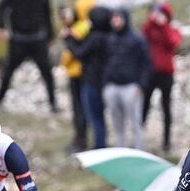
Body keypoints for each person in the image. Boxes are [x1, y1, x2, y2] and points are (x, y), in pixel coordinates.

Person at [102, 7, 152, 150]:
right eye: (114, 18)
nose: (116, 21)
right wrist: (106, 84)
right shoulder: (109, 39)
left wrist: (141, 86)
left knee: (135, 123)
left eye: (118, 18)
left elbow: (147, 63)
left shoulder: (137, 39)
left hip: (131, 87)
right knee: (117, 124)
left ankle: (139, 152)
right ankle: (120, 151)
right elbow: (105, 61)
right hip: (112, 86)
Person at [63, 5, 112, 149]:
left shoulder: (96, 38)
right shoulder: (108, 36)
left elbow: (79, 52)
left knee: (95, 116)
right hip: (103, 81)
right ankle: (99, 144)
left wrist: (68, 39)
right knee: (98, 116)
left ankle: (99, 147)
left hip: (92, 81)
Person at [0, 0, 57, 112]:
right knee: (8, 70)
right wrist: (2, 27)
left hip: (38, 39)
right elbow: (1, 7)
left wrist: (50, 36)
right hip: (19, 39)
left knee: (47, 72)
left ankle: (53, 104)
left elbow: (47, 13)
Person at [141, 2, 182, 152]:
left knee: (166, 107)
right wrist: (151, 20)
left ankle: (167, 142)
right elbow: (143, 37)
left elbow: (173, 43)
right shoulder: (150, 28)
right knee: (145, 104)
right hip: (151, 73)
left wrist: (163, 25)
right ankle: (140, 137)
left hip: (166, 74)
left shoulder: (172, 29)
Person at [58, 0, 95, 152]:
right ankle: (80, 138)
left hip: (79, 73)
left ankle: (81, 140)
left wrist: (67, 36)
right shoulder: (86, 26)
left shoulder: (81, 28)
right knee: (80, 108)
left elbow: (74, 51)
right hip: (78, 73)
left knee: (79, 108)